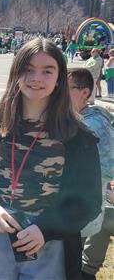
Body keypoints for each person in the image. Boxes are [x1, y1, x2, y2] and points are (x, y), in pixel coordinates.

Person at [0, 38, 102, 280]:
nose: (36, 78)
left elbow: (89, 201)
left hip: (50, 242)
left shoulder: (78, 137)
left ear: (59, 78)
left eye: (47, 71)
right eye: (28, 70)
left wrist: (45, 229)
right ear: (16, 73)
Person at [66, 68, 114, 280]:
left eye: (65, 88)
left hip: (80, 213)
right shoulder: (82, 118)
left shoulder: (93, 124)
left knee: (71, 268)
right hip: (77, 212)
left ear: (84, 92)